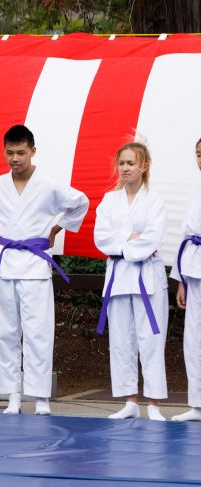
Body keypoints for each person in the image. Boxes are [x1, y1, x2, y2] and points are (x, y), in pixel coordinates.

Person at [0, 125, 89, 416]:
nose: (15, 158)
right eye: (10, 153)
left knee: (38, 331)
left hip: (35, 265)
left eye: (21, 153)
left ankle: (40, 397)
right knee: (5, 332)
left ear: (33, 151)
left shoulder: (48, 185)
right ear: (4, 152)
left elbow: (80, 203)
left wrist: (55, 228)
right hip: (6, 263)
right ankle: (13, 395)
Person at [94, 142, 169, 421]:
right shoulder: (109, 200)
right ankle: (129, 401)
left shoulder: (155, 200)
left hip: (146, 277)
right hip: (118, 276)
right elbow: (101, 237)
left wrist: (122, 241)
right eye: (122, 163)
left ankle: (154, 404)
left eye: (130, 163)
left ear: (144, 166)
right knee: (121, 340)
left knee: (150, 339)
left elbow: (153, 238)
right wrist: (130, 238)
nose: (125, 168)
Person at [171, 138, 201, 422]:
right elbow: (184, 239)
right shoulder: (195, 196)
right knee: (193, 339)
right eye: (198, 154)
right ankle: (197, 404)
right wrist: (180, 279)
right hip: (193, 272)